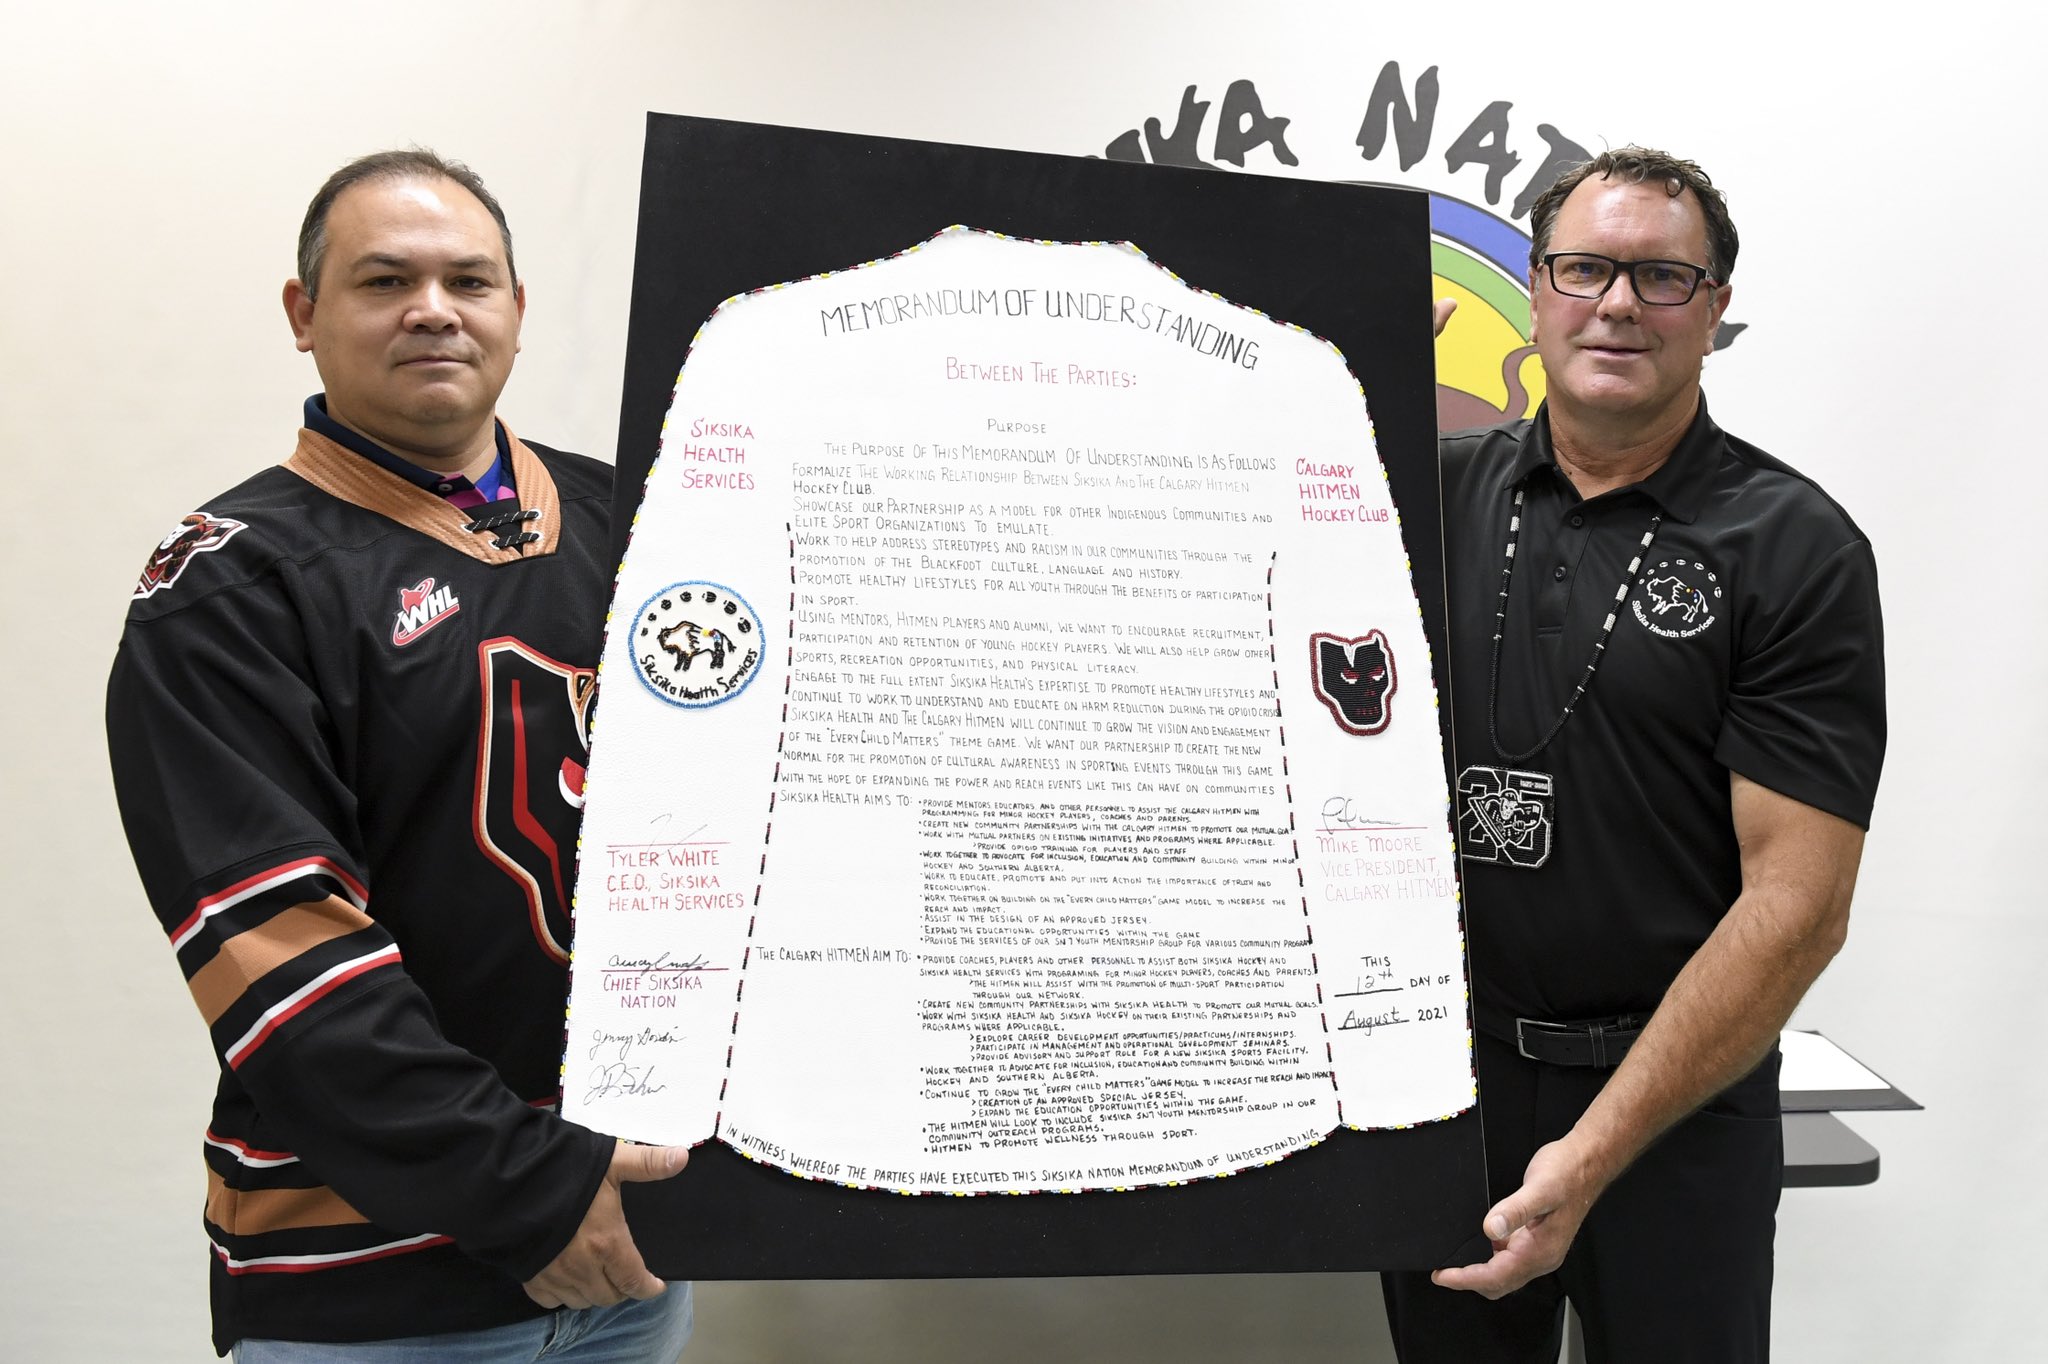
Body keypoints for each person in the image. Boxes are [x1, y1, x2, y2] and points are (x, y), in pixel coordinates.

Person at [108, 150, 695, 1361]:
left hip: (631, 1249)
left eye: (468, 280)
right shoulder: (231, 583)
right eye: (385, 280)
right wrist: (526, 1188)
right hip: (373, 1289)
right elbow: (278, 953)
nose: (434, 309)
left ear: (516, 310)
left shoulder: (650, 522)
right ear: (304, 312)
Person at [1386, 148, 1885, 1362]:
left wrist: (1594, 1147)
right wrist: (1337, 391)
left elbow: (1797, 906)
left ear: (1714, 310)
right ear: (1533, 289)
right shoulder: (1416, 493)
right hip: (1448, 1095)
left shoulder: (1792, 546)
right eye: (1582, 268)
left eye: (1661, 277)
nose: (1615, 302)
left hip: (1677, 1110)